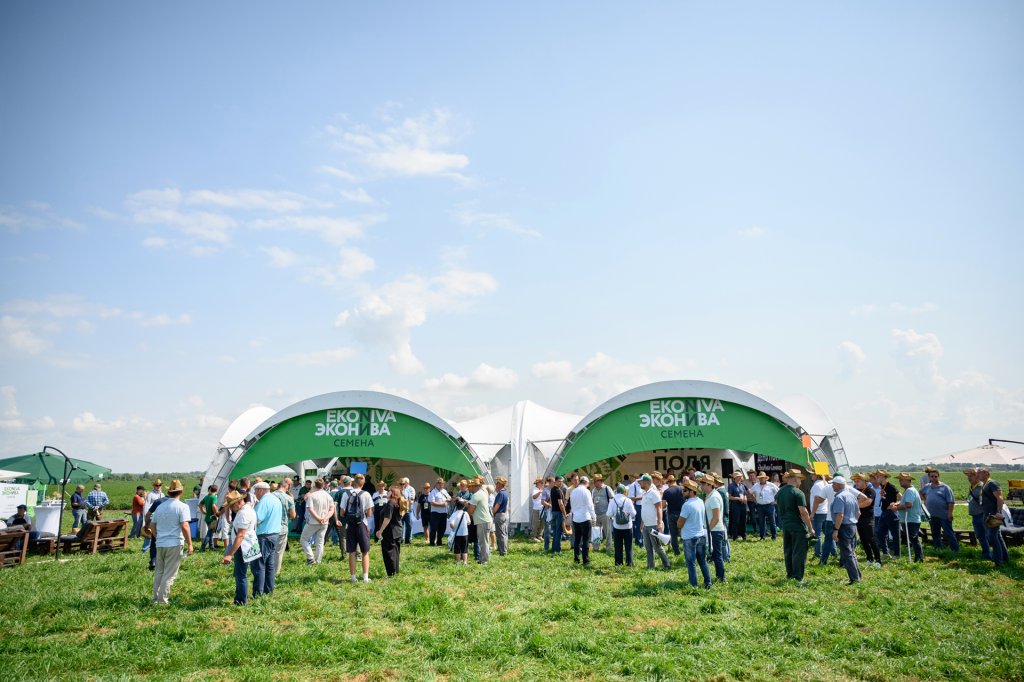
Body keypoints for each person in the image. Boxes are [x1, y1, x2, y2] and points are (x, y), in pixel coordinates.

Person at [150, 479, 192, 606]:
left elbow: (152, 525)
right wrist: (190, 544)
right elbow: (185, 526)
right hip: (174, 544)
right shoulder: (183, 507)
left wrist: (157, 536)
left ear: (168, 492)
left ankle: (155, 598)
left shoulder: (160, 507)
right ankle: (162, 601)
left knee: (159, 572)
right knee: (169, 574)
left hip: (160, 543)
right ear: (181, 492)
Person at [220, 491, 260, 606]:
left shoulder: (243, 514)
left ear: (238, 503)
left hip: (242, 546)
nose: (231, 509)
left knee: (240, 574)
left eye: (231, 506)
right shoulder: (249, 509)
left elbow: (241, 535)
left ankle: (240, 601)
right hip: (248, 544)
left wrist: (229, 554)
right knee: (243, 573)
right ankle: (243, 597)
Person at [776, 469, 814, 582]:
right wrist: (810, 528)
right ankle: (797, 577)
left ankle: (790, 574)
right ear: (796, 479)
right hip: (797, 526)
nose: (801, 482)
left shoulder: (780, 492)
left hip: (785, 525)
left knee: (788, 550)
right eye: (800, 480)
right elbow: (803, 512)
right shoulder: (798, 493)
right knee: (799, 552)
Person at [829, 476, 863, 585]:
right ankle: (858, 576)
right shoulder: (852, 495)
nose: (832, 486)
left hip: (844, 527)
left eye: (833, 484)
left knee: (847, 554)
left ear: (838, 485)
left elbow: (840, 515)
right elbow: (858, 513)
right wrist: (853, 522)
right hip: (852, 526)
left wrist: (836, 529)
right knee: (852, 552)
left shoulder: (839, 497)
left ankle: (854, 579)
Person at [677, 479, 709, 588]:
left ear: (691, 491)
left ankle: (694, 586)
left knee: (691, 563)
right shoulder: (700, 501)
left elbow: (680, 523)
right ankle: (708, 583)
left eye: (684, 490)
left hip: (689, 538)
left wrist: (678, 524)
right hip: (701, 535)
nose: (682, 492)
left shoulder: (687, 505)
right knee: (702, 561)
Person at [342, 474, 374, 582]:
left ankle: (353, 577)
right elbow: (369, 513)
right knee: (365, 551)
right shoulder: (366, 494)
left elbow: (342, 512)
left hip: (350, 525)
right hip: (362, 524)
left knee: (352, 551)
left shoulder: (346, 494)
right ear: (363, 483)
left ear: (353, 482)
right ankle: (365, 577)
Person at [252, 481, 281, 596]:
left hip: (264, 536)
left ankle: (258, 593)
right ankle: (268, 590)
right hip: (274, 535)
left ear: (260, 490)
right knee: (269, 565)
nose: (255, 493)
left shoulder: (264, 502)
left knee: (259, 565)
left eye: (255, 491)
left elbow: (256, 520)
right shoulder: (275, 499)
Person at [978, 468, 1009, 567]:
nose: (977, 474)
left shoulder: (992, 483)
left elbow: (1000, 498)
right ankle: (1005, 558)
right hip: (987, 514)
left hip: (993, 515)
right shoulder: (985, 484)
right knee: (998, 537)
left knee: (992, 538)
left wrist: (998, 512)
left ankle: (998, 561)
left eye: (979, 473)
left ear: (986, 473)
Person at [299, 479, 334, 566]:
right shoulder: (328, 496)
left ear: (314, 485)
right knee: (320, 542)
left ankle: (310, 558)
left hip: (313, 522)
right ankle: (318, 561)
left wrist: (318, 518)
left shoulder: (312, 495)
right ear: (323, 485)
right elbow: (332, 509)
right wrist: (325, 518)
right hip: (324, 522)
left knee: (303, 539)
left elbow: (310, 509)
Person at [639, 474, 671, 570]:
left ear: (646, 482)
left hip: (653, 524)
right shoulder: (644, 493)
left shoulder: (654, 493)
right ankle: (650, 566)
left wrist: (659, 522)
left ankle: (667, 564)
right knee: (648, 547)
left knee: (657, 547)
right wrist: (642, 523)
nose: (640, 483)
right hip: (646, 525)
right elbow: (644, 509)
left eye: (641, 482)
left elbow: (659, 508)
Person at [923, 469, 958, 553]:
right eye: (932, 476)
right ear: (929, 477)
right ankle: (938, 549)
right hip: (932, 515)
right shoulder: (927, 486)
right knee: (935, 533)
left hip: (944, 515)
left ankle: (955, 550)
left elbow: (951, 502)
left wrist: (950, 513)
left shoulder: (945, 488)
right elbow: (920, 492)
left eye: (935, 476)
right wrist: (925, 499)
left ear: (939, 476)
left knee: (949, 533)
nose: (934, 478)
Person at [376, 484, 407, 576]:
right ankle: (395, 571)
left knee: (389, 553)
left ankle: (391, 573)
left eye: (389, 490)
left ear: (392, 493)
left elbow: (387, 518)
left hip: (389, 531)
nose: (387, 491)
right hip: (397, 530)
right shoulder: (397, 502)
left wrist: (380, 531)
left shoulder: (390, 503)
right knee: (396, 552)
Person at [891, 473, 923, 562]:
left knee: (913, 538)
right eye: (900, 479)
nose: (900, 481)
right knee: (913, 538)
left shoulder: (909, 491)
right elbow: (905, 502)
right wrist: (897, 504)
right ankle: (918, 557)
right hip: (910, 519)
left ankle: (919, 558)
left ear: (908, 480)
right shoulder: (909, 490)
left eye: (902, 479)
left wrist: (896, 508)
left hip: (910, 519)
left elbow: (908, 504)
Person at [852, 474, 881, 568]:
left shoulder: (870, 491)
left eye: (858, 481)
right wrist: (859, 502)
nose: (856, 483)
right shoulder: (856, 491)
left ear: (864, 481)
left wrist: (855, 504)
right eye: (855, 481)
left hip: (868, 518)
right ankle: (869, 558)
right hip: (858, 518)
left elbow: (867, 503)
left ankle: (878, 560)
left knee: (871, 539)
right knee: (863, 539)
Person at [701, 476, 727, 584]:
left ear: (709, 485)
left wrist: (708, 531)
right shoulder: (709, 495)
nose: (701, 486)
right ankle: (720, 576)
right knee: (715, 554)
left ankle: (722, 577)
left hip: (715, 530)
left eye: (703, 484)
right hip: (713, 529)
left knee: (717, 555)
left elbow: (716, 517)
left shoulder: (714, 497)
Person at [963, 469, 991, 561]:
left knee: (987, 536)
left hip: (982, 515)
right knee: (980, 535)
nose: (969, 478)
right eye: (968, 476)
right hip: (975, 515)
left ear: (977, 476)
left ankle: (993, 554)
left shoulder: (982, 486)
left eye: (971, 476)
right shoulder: (972, 486)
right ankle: (986, 553)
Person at [568, 475, 596, 566]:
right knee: (586, 540)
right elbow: (590, 506)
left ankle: (576, 559)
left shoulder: (573, 491)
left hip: (576, 518)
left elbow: (572, 506)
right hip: (585, 518)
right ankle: (585, 560)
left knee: (577, 540)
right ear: (586, 483)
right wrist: (594, 517)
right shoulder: (586, 491)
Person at [272, 478, 296, 576]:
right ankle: (275, 573)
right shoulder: (289, 498)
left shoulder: (270, 496)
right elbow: (293, 515)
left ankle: (266, 570)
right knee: (278, 552)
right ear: (287, 487)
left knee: (269, 551)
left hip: (269, 528)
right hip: (282, 528)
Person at [874, 470, 900, 559]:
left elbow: (901, 497)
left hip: (891, 513)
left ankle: (897, 554)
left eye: (878, 476)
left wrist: (895, 504)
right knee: (879, 532)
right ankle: (885, 552)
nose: (876, 477)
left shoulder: (891, 486)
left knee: (895, 534)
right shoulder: (882, 486)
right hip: (884, 512)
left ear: (883, 476)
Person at [608, 484, 636, 566]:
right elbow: (634, 513)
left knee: (618, 546)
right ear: (624, 492)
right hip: (628, 526)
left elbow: (609, 514)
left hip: (617, 526)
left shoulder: (612, 500)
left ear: (616, 491)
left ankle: (618, 563)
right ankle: (629, 563)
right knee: (629, 546)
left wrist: (615, 515)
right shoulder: (628, 500)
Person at [467, 477, 493, 565]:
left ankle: (484, 560)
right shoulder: (482, 492)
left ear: (474, 486)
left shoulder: (476, 495)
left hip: (482, 521)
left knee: (483, 542)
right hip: (485, 520)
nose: (469, 488)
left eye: (470, 486)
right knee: (484, 541)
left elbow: (470, 510)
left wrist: (467, 513)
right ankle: (483, 558)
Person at [809, 473, 833, 560]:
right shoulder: (825, 483)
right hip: (825, 511)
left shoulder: (817, 485)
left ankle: (818, 553)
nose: (811, 475)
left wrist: (812, 513)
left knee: (817, 535)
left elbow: (817, 500)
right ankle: (833, 552)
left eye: (812, 474)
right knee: (828, 534)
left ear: (817, 475)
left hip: (818, 512)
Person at [751, 472, 779, 541]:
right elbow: (750, 492)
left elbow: (779, 492)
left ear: (765, 478)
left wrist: (775, 500)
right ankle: (762, 537)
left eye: (763, 478)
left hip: (770, 505)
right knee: (761, 522)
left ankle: (774, 537)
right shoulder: (756, 485)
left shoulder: (771, 485)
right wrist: (754, 500)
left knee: (772, 521)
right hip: (760, 506)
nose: (761, 479)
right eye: (760, 478)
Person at [662, 474, 684, 556]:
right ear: (675, 481)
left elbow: (663, 505)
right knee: (684, 533)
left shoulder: (666, 491)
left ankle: (676, 553)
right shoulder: (682, 489)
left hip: (671, 514)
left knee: (673, 534)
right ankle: (686, 550)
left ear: (668, 482)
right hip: (682, 514)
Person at [590, 474, 613, 553]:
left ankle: (608, 548)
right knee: (596, 531)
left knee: (607, 532)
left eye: (595, 481)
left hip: (605, 514)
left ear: (600, 481)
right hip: (596, 514)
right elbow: (592, 501)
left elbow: (612, 499)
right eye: (593, 482)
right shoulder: (593, 490)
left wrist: (610, 512)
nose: (594, 483)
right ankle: (596, 548)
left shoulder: (607, 488)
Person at [141, 479, 164, 552]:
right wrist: (146, 518)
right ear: (154, 486)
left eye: (159, 485)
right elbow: (146, 506)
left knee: (158, 532)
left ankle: (157, 547)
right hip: (151, 516)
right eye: (156, 485)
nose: (158, 486)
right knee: (149, 532)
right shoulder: (150, 494)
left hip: (160, 516)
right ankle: (145, 549)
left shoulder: (162, 494)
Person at [427, 478, 451, 547]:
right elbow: (431, 502)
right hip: (435, 513)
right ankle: (432, 542)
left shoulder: (444, 491)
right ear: (436, 484)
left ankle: (439, 541)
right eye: (439, 483)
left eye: (442, 483)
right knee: (434, 528)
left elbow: (449, 498)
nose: (441, 484)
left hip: (444, 512)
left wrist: (449, 499)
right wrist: (442, 504)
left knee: (443, 528)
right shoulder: (433, 492)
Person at [547, 474, 567, 554]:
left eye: (562, 481)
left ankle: (553, 548)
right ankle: (558, 549)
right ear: (555, 481)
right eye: (559, 481)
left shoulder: (552, 489)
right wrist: (564, 513)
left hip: (554, 512)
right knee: (558, 532)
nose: (561, 483)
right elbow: (561, 504)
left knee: (555, 531)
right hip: (558, 513)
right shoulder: (558, 491)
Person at [449, 499, 471, 564]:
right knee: (465, 548)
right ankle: (465, 562)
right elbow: (469, 522)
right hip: (465, 533)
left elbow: (451, 524)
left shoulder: (454, 514)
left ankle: (458, 561)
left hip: (457, 534)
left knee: (457, 548)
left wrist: (453, 528)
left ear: (456, 506)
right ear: (463, 507)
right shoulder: (465, 513)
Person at [727, 472, 747, 542]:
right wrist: (738, 498)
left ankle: (744, 535)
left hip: (743, 505)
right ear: (735, 478)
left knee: (743, 521)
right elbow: (729, 497)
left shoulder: (742, 485)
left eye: (740, 476)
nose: (740, 477)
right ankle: (735, 536)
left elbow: (745, 494)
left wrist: (745, 498)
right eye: (739, 476)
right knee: (736, 521)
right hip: (735, 505)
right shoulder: (731, 486)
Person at [492, 477, 510, 557]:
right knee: (504, 533)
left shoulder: (500, 494)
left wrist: (492, 513)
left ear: (500, 484)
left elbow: (497, 505)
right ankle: (503, 549)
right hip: (504, 514)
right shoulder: (505, 493)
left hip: (500, 515)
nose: (496, 485)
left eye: (497, 483)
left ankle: (503, 551)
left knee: (501, 534)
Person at [199, 485, 219, 551]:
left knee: (211, 532)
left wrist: (203, 511)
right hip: (212, 518)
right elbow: (213, 506)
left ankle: (211, 546)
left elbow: (200, 504)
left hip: (207, 517)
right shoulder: (214, 497)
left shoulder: (207, 497)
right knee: (209, 533)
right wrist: (216, 513)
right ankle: (203, 546)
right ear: (216, 490)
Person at [628, 474, 645, 547]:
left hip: (643, 506)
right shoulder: (633, 486)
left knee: (642, 524)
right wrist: (642, 497)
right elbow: (631, 498)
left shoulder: (644, 485)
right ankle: (639, 542)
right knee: (638, 524)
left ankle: (640, 541)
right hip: (637, 506)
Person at [399, 477, 416, 545]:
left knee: (409, 526)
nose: (402, 485)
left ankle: (407, 540)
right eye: (401, 484)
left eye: (403, 484)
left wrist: (409, 508)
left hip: (407, 510)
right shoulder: (397, 491)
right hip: (400, 511)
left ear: (405, 484)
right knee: (400, 525)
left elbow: (410, 500)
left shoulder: (408, 491)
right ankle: (400, 539)